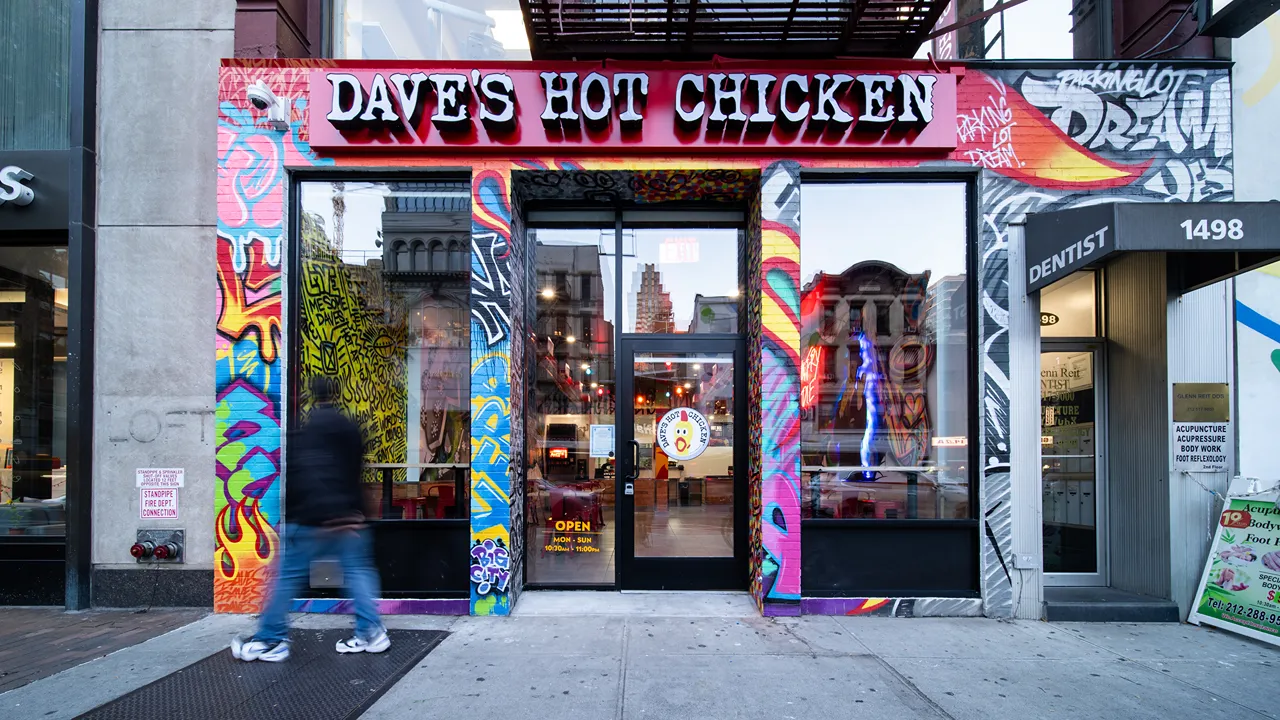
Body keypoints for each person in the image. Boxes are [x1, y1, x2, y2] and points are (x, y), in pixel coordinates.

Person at [231, 376, 389, 662]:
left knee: (287, 576)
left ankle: (271, 639)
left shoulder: (306, 432)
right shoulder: (351, 428)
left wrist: (331, 513)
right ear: (335, 396)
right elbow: (355, 472)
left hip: (314, 520)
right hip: (351, 517)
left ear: (311, 398)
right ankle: (371, 632)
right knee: (358, 571)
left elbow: (313, 474)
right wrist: (354, 511)